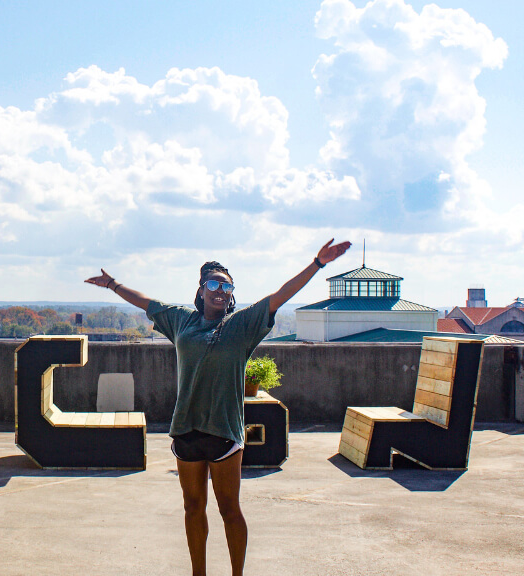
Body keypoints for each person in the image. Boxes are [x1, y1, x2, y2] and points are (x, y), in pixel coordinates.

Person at [85, 239, 350, 576]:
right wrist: (112, 284)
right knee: (193, 507)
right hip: (187, 429)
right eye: (213, 283)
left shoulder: (243, 325)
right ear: (201, 290)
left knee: (229, 509)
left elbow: (281, 295)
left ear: (231, 293)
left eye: (227, 285)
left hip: (224, 432)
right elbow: (147, 304)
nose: (220, 290)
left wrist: (318, 263)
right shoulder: (181, 320)